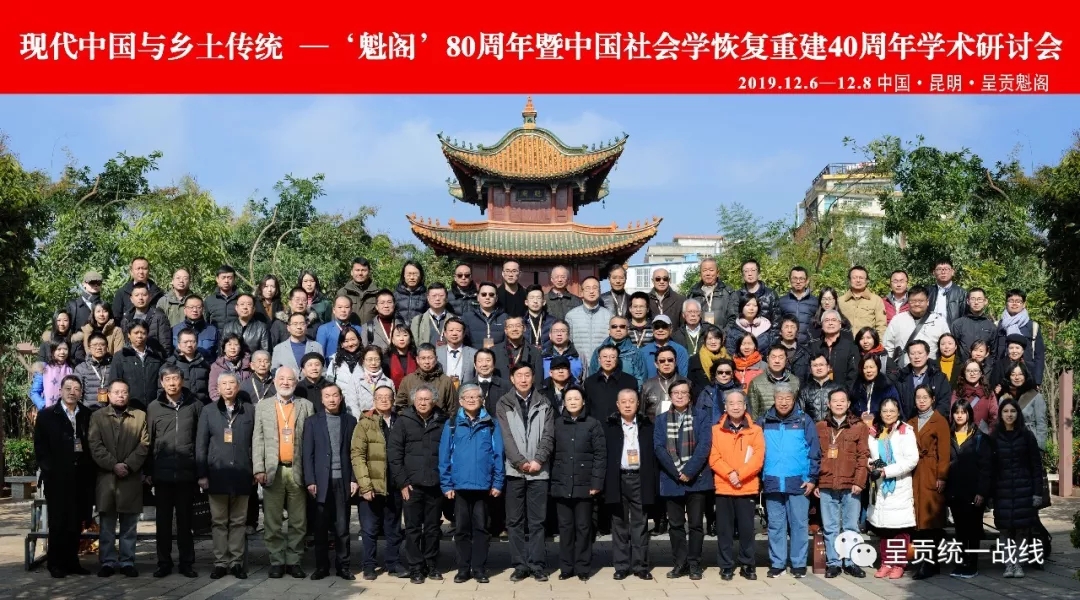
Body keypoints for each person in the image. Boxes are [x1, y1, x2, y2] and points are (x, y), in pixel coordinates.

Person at [253, 367, 316, 579]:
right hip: (273, 471)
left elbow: (311, 441)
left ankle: (294, 561)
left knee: (298, 521)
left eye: (290, 379)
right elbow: (258, 439)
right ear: (275, 381)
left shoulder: (305, 405)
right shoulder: (263, 406)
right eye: (282, 378)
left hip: (297, 470)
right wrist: (258, 468)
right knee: (272, 521)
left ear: (296, 383)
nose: (286, 382)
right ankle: (277, 561)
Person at [439, 384, 505, 584]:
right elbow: (444, 456)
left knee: (482, 529)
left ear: (482, 400)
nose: (471, 399)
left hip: (483, 487)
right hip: (459, 487)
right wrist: (446, 484)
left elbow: (498, 455)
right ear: (460, 401)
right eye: (467, 397)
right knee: (461, 530)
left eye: (475, 396)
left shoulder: (491, 424)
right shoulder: (452, 424)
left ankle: (479, 569)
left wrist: (498, 482)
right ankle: (463, 569)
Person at [496, 363, 556, 582]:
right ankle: (520, 565)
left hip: (539, 471)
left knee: (537, 521)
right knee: (514, 521)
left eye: (527, 375)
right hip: (514, 471)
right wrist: (520, 462)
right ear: (512, 379)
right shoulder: (503, 403)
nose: (523, 379)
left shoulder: (545, 403)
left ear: (533, 377)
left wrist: (538, 460)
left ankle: (537, 564)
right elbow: (505, 437)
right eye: (519, 375)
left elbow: (549, 435)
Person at [196, 373, 256, 579]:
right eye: (224, 384)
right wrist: (202, 474)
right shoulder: (208, 411)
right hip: (217, 474)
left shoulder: (249, 410)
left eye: (232, 383)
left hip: (242, 473)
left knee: (239, 521)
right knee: (219, 521)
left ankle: (236, 562)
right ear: (218, 388)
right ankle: (221, 562)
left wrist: (256, 469)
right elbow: (201, 444)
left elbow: (255, 442)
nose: (228, 387)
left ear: (238, 387)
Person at [34, 375, 95, 578]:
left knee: (76, 522)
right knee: (58, 522)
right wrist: (50, 471)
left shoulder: (87, 414)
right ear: (60, 391)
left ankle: (72, 561)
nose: (72, 392)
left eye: (76, 389)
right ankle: (55, 563)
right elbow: (41, 449)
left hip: (80, 477)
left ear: (81, 393)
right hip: (57, 478)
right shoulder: (47, 415)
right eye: (68, 388)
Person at [88, 379, 150, 578]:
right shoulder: (97, 417)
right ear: (108, 395)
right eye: (116, 392)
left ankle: (127, 561)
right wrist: (113, 465)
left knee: (129, 524)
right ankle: (107, 561)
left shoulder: (140, 416)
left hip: (131, 478)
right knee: (106, 524)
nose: (120, 395)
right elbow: (95, 445)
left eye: (124, 392)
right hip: (107, 477)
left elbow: (144, 444)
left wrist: (128, 465)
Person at [146, 364, 203, 578]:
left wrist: (200, 470)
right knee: (163, 522)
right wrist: (148, 471)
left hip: (187, 473)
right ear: (162, 382)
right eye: (167, 379)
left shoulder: (195, 405)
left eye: (175, 378)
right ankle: (164, 562)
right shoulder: (154, 407)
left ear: (182, 381)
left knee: (185, 522)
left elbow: (200, 439)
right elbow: (148, 440)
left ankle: (186, 562)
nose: (172, 383)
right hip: (162, 474)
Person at [758, 384, 820, 578]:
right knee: (775, 525)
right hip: (772, 481)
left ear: (793, 400)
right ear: (774, 399)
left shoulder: (804, 420)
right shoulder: (764, 420)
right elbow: (756, 451)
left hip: (798, 482)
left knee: (799, 525)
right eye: (780, 398)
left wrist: (812, 478)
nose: (783, 402)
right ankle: (777, 563)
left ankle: (798, 563)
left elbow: (814, 452)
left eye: (788, 398)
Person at [653, 380, 713, 581]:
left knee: (696, 524)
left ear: (690, 395)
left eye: (683, 392)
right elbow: (659, 448)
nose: (679, 396)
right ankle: (680, 563)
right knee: (675, 525)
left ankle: (695, 563)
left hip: (697, 479)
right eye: (676, 393)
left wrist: (689, 471)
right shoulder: (661, 419)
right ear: (670, 396)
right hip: (672, 479)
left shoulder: (701, 416)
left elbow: (704, 446)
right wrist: (677, 472)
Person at [387, 385, 448, 584]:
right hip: (411, 486)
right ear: (414, 401)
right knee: (412, 529)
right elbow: (394, 455)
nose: (423, 403)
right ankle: (415, 568)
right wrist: (402, 482)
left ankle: (431, 565)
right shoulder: (403, 421)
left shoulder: (443, 421)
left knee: (432, 528)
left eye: (427, 399)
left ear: (434, 401)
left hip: (435, 484)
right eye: (419, 399)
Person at [303, 384, 359, 581]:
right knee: (320, 528)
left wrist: (353, 479)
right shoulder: (312, 422)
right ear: (322, 399)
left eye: (335, 395)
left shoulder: (350, 421)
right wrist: (310, 480)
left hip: (342, 480)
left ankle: (343, 567)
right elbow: (307, 454)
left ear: (341, 398)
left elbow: (355, 453)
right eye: (327, 396)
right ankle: (322, 567)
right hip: (321, 482)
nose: (332, 399)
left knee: (342, 528)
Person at [351, 384, 406, 581]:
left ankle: (393, 563)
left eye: (387, 396)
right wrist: (365, 485)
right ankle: (369, 566)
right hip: (372, 485)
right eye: (379, 397)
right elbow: (357, 455)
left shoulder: (400, 422)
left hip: (395, 484)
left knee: (393, 528)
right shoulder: (365, 423)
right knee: (369, 528)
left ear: (393, 400)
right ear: (374, 400)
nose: (384, 400)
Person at [550, 387, 606, 581]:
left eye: (576, 398)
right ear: (564, 403)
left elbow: (600, 455)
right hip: (562, 483)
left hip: (585, 484)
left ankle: (583, 567)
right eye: (569, 399)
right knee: (565, 528)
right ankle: (566, 567)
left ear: (583, 402)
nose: (573, 402)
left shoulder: (593, 424)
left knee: (583, 527)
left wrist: (596, 482)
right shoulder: (557, 424)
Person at [815, 389, 869, 579]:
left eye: (842, 401)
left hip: (851, 485)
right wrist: (816, 482)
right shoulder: (821, 426)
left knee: (851, 526)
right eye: (835, 401)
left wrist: (859, 481)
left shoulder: (859, 427)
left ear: (848, 404)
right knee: (830, 527)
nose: (838, 404)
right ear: (828, 404)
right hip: (826, 483)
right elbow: (815, 456)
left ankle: (851, 562)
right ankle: (833, 563)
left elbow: (863, 456)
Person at [604, 389, 658, 581]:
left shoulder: (647, 426)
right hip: (617, 477)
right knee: (619, 523)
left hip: (639, 478)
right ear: (617, 405)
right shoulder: (609, 426)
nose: (627, 405)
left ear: (638, 404)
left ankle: (640, 566)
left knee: (640, 523)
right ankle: (621, 566)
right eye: (624, 401)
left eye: (631, 401)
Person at [708, 390, 763, 580]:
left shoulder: (755, 430)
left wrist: (740, 475)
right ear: (725, 407)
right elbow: (714, 457)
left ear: (745, 405)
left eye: (739, 403)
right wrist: (730, 474)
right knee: (724, 530)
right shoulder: (716, 430)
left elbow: (757, 458)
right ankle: (726, 565)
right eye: (731, 403)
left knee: (747, 530)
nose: (736, 406)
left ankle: (747, 564)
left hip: (746, 487)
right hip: (724, 487)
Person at [992, 398, 1049, 579]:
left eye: (1013, 411)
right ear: (1000, 414)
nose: (1009, 415)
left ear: (1018, 414)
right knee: (1005, 530)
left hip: (1024, 489)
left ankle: (1019, 563)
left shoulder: (1027, 436)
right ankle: (1008, 564)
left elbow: (1036, 466)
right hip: (1002, 490)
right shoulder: (994, 437)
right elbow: (990, 468)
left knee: (1022, 530)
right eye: (1005, 411)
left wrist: (1037, 493)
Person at [866, 397, 918, 580]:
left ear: (898, 412)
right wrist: (871, 465)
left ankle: (899, 563)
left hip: (899, 484)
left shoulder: (905, 431)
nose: (888, 414)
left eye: (892, 411)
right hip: (880, 485)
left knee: (899, 528)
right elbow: (869, 455)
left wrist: (887, 471)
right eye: (885, 411)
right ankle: (886, 562)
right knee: (884, 527)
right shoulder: (874, 432)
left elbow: (911, 459)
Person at [945, 400, 993, 578]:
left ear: (969, 414)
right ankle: (961, 562)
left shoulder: (979, 437)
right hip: (955, 492)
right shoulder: (948, 436)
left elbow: (986, 468)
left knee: (973, 530)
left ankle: (972, 564)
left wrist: (982, 492)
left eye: (963, 412)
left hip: (973, 493)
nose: (959, 415)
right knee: (960, 530)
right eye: (956, 412)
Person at [951, 359, 999, 433]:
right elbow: (952, 415)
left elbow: (994, 417)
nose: (972, 373)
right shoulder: (958, 393)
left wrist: (989, 434)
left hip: (983, 435)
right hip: (962, 434)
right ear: (964, 373)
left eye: (975, 370)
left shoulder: (989, 393)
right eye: (968, 371)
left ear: (981, 373)